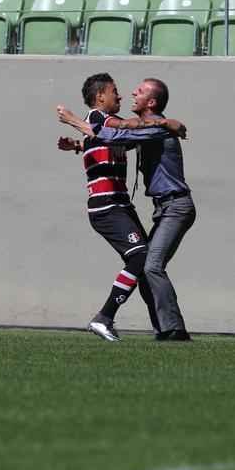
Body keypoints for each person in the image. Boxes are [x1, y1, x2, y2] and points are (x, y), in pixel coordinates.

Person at [58, 78, 193, 341]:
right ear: (99, 97)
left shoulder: (129, 126)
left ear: (151, 102)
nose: (125, 95)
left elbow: (121, 135)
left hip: (163, 205)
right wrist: (78, 132)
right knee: (144, 262)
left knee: (147, 264)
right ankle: (113, 319)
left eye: (138, 92)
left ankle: (168, 329)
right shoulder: (101, 118)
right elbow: (117, 134)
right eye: (114, 92)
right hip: (110, 206)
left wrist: (78, 136)